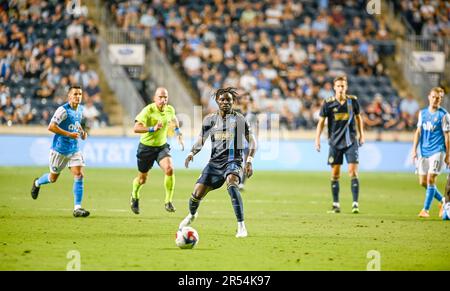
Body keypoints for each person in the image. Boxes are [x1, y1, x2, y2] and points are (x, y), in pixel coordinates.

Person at [179, 87, 257, 238]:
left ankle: (241, 226)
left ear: (233, 102)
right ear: (217, 101)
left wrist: (249, 161)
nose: (225, 102)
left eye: (228, 100)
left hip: (233, 161)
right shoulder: (210, 119)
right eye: (222, 99)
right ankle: (192, 215)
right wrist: (191, 152)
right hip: (214, 163)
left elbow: (252, 142)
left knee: (232, 185)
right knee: (196, 195)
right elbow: (201, 139)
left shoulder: (239, 119)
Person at [30, 85, 90, 217]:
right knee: (53, 178)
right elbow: (51, 127)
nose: (78, 96)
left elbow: (77, 124)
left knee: (79, 174)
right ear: (69, 96)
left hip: (74, 148)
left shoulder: (80, 109)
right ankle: (37, 182)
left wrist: (83, 133)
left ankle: (77, 208)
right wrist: (69, 134)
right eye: (75, 94)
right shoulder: (62, 110)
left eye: (80, 94)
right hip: (59, 150)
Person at [315, 75, 365, 214]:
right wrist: (317, 139)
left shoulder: (352, 101)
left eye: (343, 86)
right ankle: (336, 204)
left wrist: (362, 135)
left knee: (353, 172)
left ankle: (355, 204)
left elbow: (358, 117)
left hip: (351, 142)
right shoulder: (328, 103)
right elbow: (321, 122)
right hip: (335, 143)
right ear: (334, 88)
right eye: (338, 86)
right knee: (335, 174)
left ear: (346, 87)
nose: (341, 88)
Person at [131, 87, 184, 214]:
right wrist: (152, 129)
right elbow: (136, 128)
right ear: (155, 98)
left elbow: (174, 120)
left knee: (169, 169)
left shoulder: (170, 109)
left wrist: (178, 133)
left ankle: (168, 201)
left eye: (165, 97)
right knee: (142, 179)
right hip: (146, 148)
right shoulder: (148, 110)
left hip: (161, 147)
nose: (163, 100)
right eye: (160, 97)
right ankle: (135, 195)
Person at [412, 87, 450, 218]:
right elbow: (418, 132)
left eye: (438, 98)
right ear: (429, 97)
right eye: (433, 97)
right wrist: (414, 151)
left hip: (438, 151)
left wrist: (448, 155)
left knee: (430, 179)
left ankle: (425, 210)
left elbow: (447, 136)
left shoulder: (444, 115)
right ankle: (443, 201)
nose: (435, 100)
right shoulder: (422, 113)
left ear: (441, 99)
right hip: (424, 151)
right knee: (423, 182)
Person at [234, 92, 259, 190]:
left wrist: (255, 140)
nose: (246, 100)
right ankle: (235, 180)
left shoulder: (253, 114)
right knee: (237, 162)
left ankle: (241, 183)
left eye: (248, 99)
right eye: (244, 98)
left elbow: (256, 128)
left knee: (246, 162)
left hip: (248, 141)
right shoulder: (236, 112)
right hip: (237, 141)